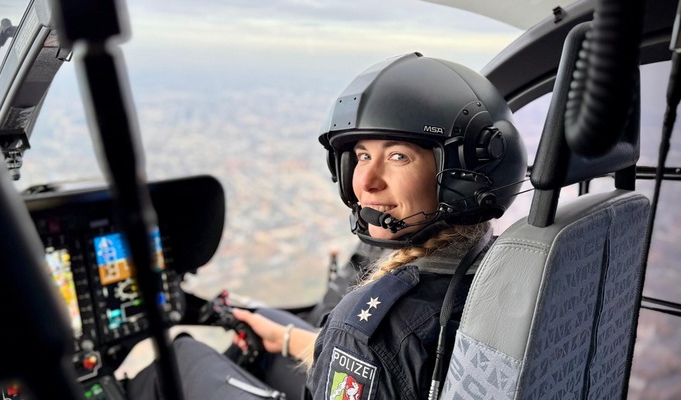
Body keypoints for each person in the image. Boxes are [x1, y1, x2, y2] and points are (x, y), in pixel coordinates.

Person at [126, 51, 527, 400]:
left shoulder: (370, 328)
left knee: (182, 356)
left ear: (463, 174)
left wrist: (347, 341)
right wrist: (289, 339)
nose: (366, 182)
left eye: (399, 157)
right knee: (269, 326)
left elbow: (378, 349)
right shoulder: (501, 264)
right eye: (362, 156)